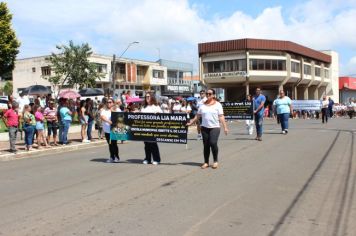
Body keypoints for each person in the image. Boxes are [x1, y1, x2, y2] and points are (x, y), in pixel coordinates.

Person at [187, 89, 228, 169]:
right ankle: (206, 162)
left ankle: (215, 161)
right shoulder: (202, 105)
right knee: (206, 145)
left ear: (213, 95)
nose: (208, 95)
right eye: (207, 94)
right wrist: (191, 123)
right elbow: (198, 116)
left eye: (210, 94)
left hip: (215, 127)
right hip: (204, 128)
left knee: (213, 143)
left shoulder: (218, 105)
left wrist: (225, 127)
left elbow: (221, 116)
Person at [141, 92, 163, 165]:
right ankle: (147, 158)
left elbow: (162, 115)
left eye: (148, 96)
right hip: (145, 129)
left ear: (152, 97)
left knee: (153, 144)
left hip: (153, 129)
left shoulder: (156, 106)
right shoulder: (144, 107)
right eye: (146, 97)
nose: (147, 98)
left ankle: (156, 159)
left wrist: (158, 113)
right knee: (146, 145)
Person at [100, 97, 120, 163]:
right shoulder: (104, 110)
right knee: (110, 144)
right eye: (107, 102)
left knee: (114, 144)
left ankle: (117, 157)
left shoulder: (117, 109)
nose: (108, 103)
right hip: (107, 131)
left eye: (110, 102)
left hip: (114, 130)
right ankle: (112, 157)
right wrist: (108, 121)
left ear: (113, 103)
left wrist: (113, 110)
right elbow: (102, 117)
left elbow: (120, 117)